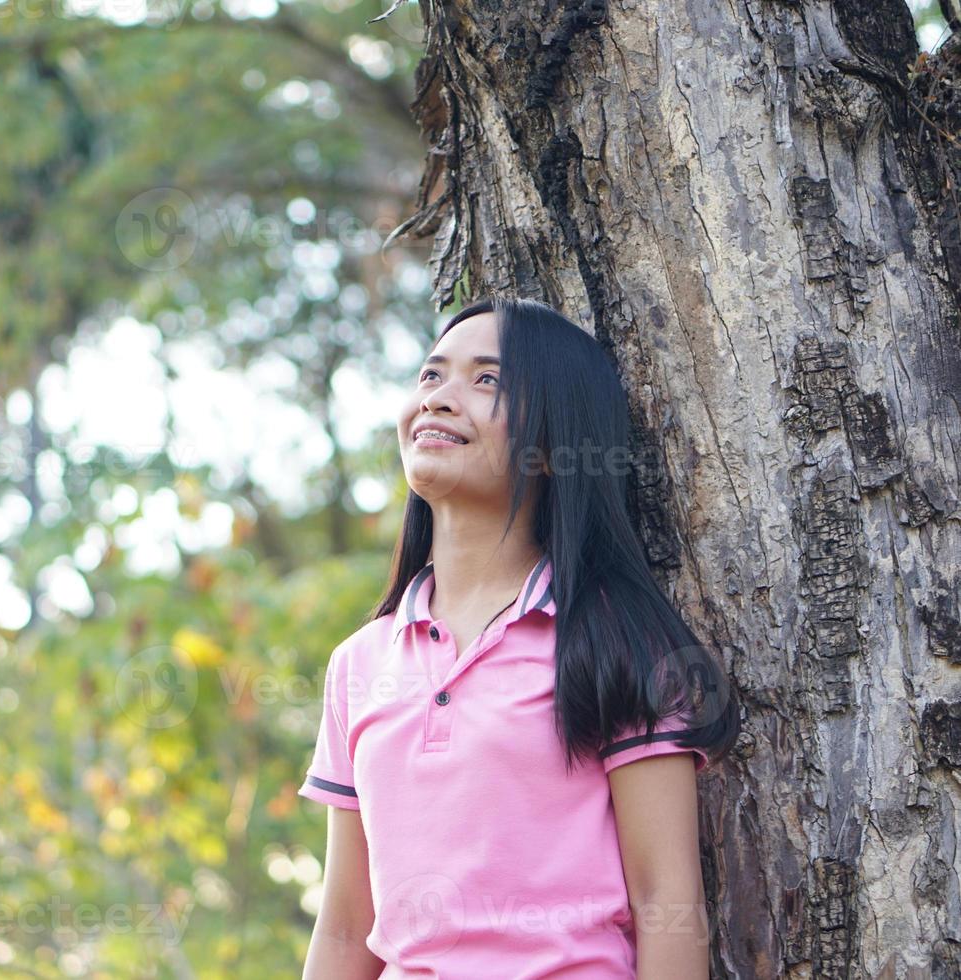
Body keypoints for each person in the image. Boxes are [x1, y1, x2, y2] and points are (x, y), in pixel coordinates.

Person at [298, 296, 740, 979]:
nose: (441, 399)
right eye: (431, 375)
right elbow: (345, 925)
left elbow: (667, 901)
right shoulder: (359, 662)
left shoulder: (617, 638)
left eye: (485, 381)